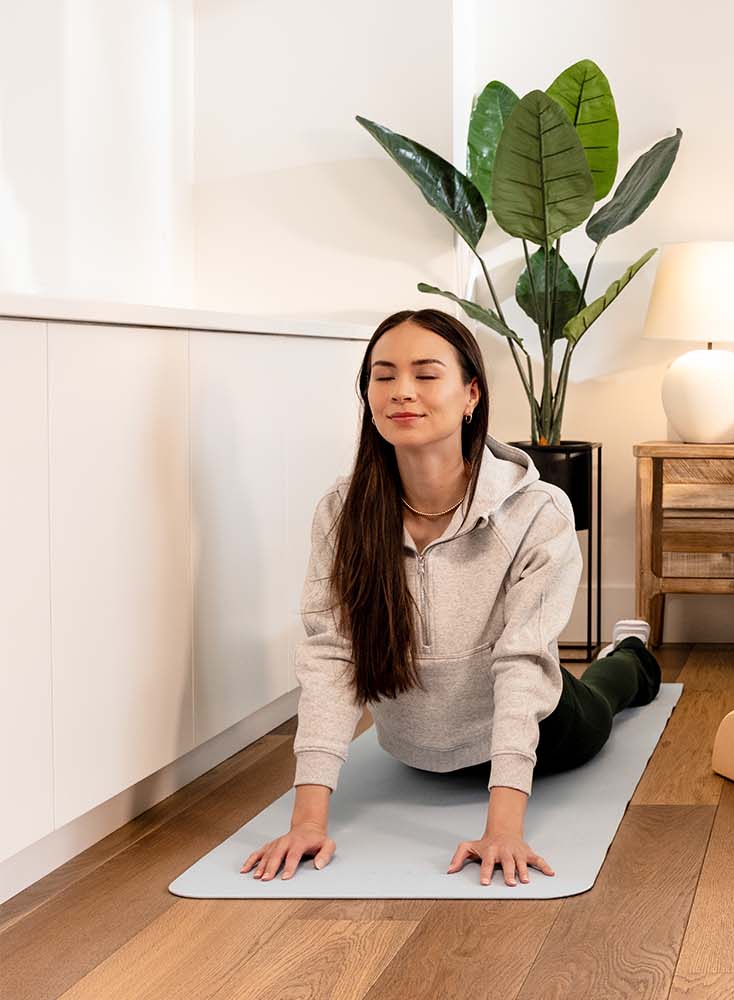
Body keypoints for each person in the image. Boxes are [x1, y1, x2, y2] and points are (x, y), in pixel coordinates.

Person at [240, 308, 661, 888]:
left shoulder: (536, 511)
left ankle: (631, 656)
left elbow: (522, 662)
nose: (401, 392)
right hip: (414, 748)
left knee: (602, 696)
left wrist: (503, 829)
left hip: (542, 730)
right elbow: (332, 657)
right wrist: (307, 820)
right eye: (383, 376)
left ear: (471, 394)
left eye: (425, 373)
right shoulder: (342, 512)